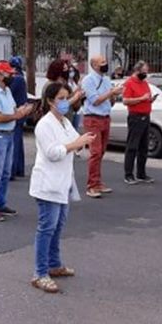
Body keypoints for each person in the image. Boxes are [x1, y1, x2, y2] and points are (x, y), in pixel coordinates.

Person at [29, 81, 96, 293]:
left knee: (58, 227)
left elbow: (77, 146)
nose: (65, 102)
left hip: (63, 183)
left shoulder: (65, 123)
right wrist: (76, 144)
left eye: (67, 98)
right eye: (61, 98)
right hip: (48, 184)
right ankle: (40, 273)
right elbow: (53, 152)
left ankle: (54, 264)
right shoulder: (44, 125)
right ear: (50, 101)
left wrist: (85, 143)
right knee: (46, 228)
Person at [0, 60, 34, 222]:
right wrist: (16, 115)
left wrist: (23, 110)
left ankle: (0, 203)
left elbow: (12, 110)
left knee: (5, 173)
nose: (12, 76)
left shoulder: (7, 91)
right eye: (8, 73)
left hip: (8, 134)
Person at [80, 54, 123, 199]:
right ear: (94, 65)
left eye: (105, 61)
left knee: (102, 151)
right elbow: (95, 101)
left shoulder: (106, 79)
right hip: (93, 119)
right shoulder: (88, 80)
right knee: (95, 152)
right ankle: (91, 185)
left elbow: (109, 101)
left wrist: (114, 95)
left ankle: (97, 181)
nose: (105, 64)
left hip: (105, 118)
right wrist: (111, 92)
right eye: (102, 62)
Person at [122, 61, 156, 185]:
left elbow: (146, 96)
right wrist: (141, 99)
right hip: (135, 117)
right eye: (144, 71)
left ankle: (141, 173)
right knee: (132, 146)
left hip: (146, 116)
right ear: (137, 70)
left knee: (144, 147)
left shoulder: (144, 83)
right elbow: (126, 100)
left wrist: (149, 100)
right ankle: (128, 174)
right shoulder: (129, 83)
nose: (145, 74)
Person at [8, 56, 29, 180]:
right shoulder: (21, 78)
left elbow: (8, 92)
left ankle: (12, 170)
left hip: (16, 113)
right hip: (21, 113)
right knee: (18, 142)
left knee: (14, 143)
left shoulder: (16, 79)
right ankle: (19, 169)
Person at [46, 59, 84, 124]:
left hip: (68, 119)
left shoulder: (64, 83)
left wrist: (77, 92)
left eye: (67, 69)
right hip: (56, 121)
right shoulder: (50, 85)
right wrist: (75, 98)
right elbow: (59, 105)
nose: (67, 72)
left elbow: (68, 97)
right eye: (64, 69)